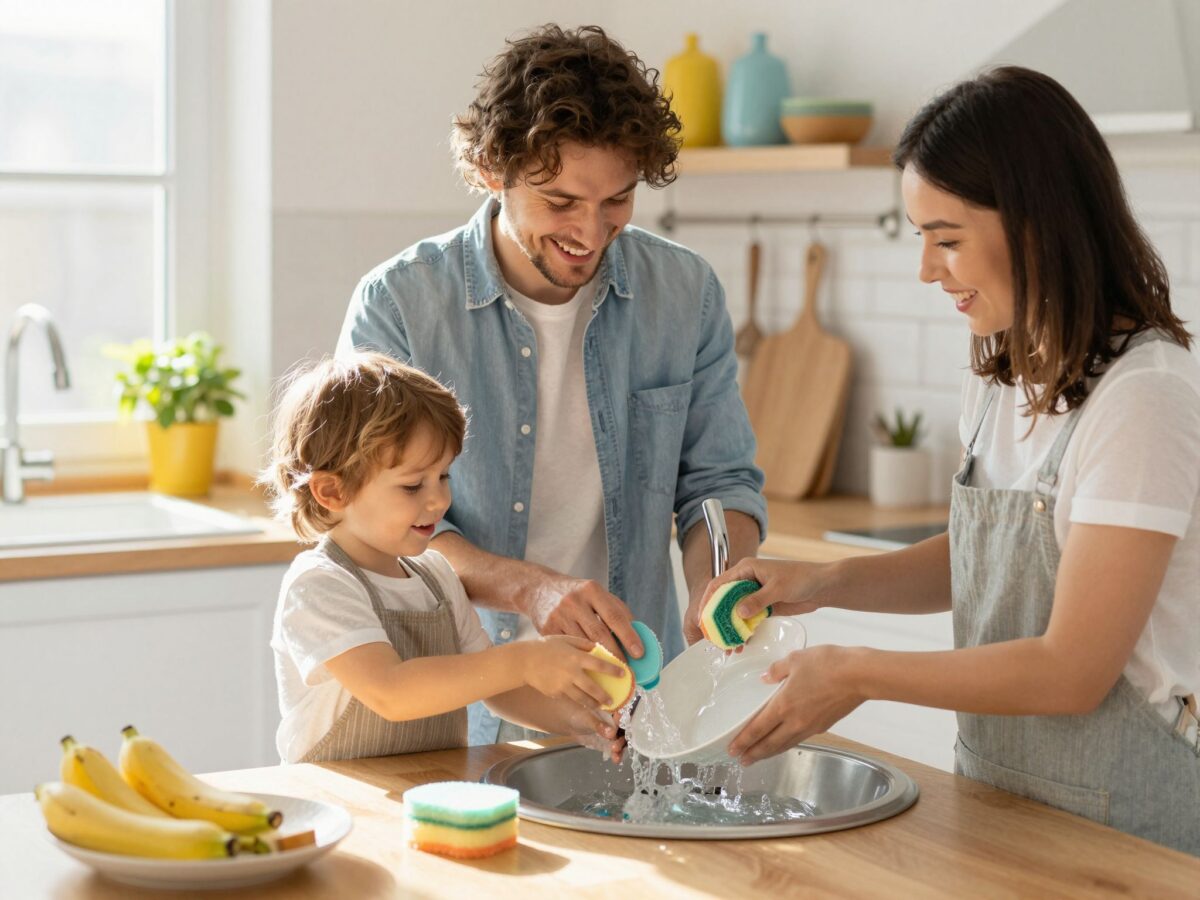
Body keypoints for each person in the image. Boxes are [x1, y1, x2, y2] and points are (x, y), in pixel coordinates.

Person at [697, 67, 1200, 855]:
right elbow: (984, 564)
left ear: (1037, 223)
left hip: (1127, 834)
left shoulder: (1144, 398)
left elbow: (1073, 670)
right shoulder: (1001, 370)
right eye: (920, 237)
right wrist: (823, 582)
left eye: (948, 239)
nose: (927, 270)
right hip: (1005, 802)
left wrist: (858, 671)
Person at [337, 24, 766, 744]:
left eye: (617, 202)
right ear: (487, 169)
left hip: (641, 704)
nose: (591, 233)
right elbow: (378, 524)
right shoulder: (401, 305)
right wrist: (531, 588)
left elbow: (718, 483)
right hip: (459, 708)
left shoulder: (683, 292)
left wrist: (718, 583)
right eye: (561, 201)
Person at [262, 352, 626, 763]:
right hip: (344, 806)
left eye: (444, 476)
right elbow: (391, 691)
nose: (439, 500)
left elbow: (497, 688)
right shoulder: (320, 585)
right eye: (413, 486)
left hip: (429, 795)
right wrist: (525, 659)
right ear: (333, 492)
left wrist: (588, 722)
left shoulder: (436, 576)